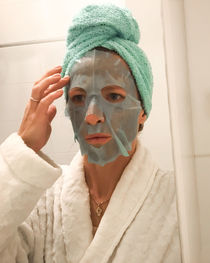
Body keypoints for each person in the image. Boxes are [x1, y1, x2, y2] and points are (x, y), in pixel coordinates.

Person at [0, 4, 181, 263]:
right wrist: (24, 148)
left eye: (114, 96)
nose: (92, 115)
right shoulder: (40, 198)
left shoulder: (178, 200)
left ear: (143, 110)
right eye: (78, 97)